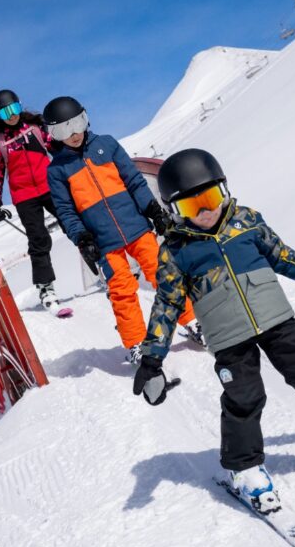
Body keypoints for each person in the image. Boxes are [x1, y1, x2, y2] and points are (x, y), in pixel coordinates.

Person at [132, 148, 295, 512]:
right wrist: (152, 358)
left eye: (209, 199)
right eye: (192, 207)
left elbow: (284, 256)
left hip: (277, 321)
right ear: (175, 210)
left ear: (223, 190)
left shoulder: (247, 222)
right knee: (243, 400)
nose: (205, 212)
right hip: (228, 339)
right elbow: (167, 305)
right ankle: (245, 470)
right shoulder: (175, 251)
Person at [42, 96, 202, 363]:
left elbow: (135, 182)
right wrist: (82, 238)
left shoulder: (107, 145)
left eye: (77, 124)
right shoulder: (57, 170)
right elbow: (66, 211)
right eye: (63, 130)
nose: (73, 134)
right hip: (103, 242)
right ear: (54, 134)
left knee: (164, 274)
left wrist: (153, 210)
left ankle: (191, 320)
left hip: (137, 227)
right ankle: (137, 344)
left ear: (85, 119)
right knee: (122, 291)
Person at [0, 89, 63, 313]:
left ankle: (98, 263)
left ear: (21, 106)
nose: (12, 115)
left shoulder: (35, 128)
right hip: (24, 196)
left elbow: (56, 149)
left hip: (50, 186)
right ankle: (46, 288)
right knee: (38, 238)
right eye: (5, 112)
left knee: (73, 223)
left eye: (15, 108)